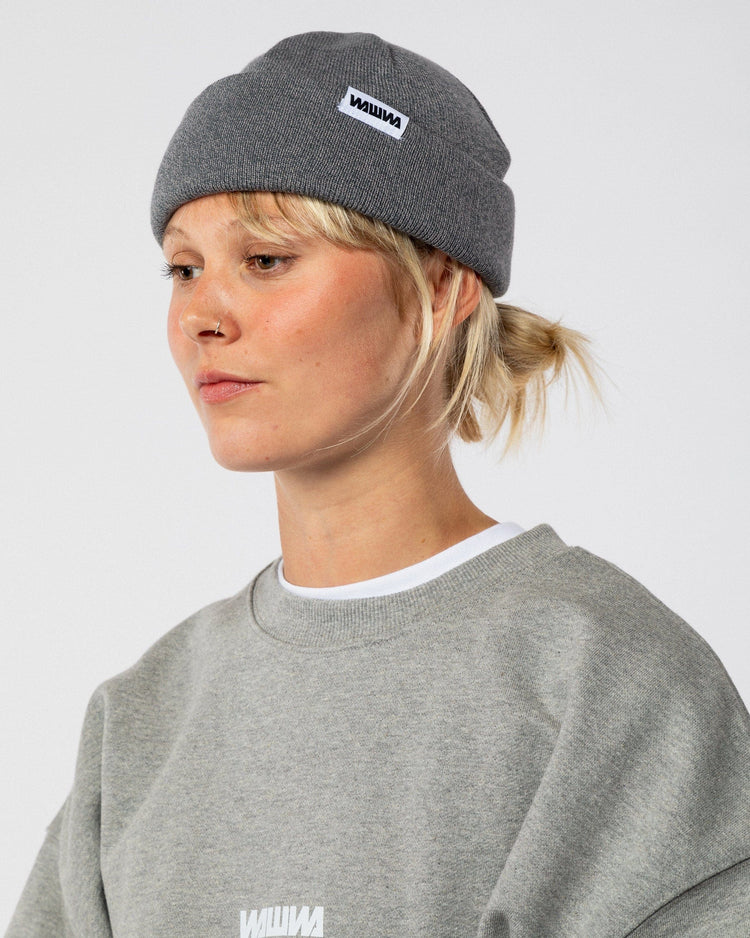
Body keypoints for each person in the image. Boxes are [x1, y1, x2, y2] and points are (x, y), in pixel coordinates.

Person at [7, 30, 749, 938]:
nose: (202, 314)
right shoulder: (141, 722)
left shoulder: (606, 682)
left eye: (266, 259)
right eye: (184, 267)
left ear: (441, 287)